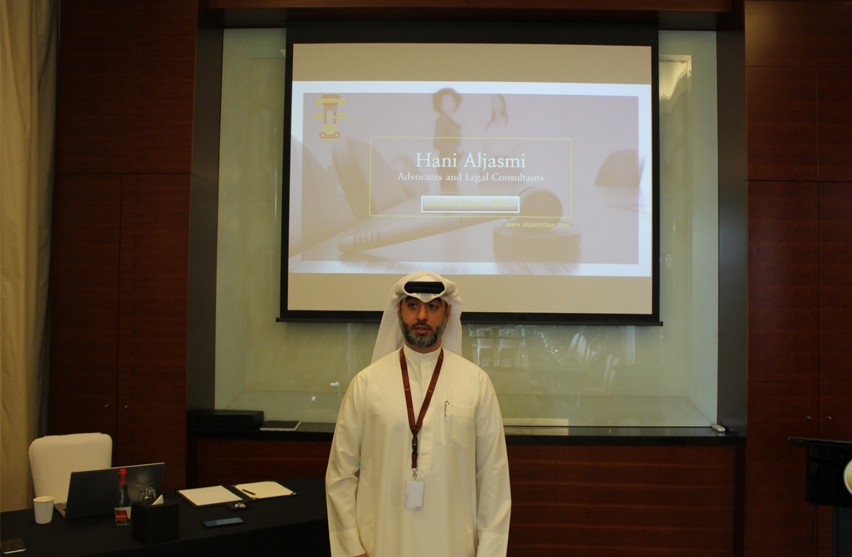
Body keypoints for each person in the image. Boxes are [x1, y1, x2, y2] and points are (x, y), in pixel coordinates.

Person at [326, 271, 511, 557]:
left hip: (453, 545)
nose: (422, 316)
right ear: (399, 309)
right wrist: (350, 548)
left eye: (433, 306)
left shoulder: (476, 383)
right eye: (413, 305)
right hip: (380, 543)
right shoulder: (366, 384)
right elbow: (341, 473)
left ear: (447, 313)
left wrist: (489, 552)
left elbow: (493, 478)